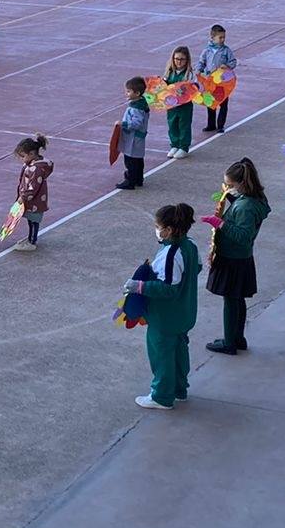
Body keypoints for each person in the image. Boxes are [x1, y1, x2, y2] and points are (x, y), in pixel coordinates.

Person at [129, 202, 201, 411]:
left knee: (162, 354)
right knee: (179, 351)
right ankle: (179, 388)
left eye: (158, 226)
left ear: (169, 230)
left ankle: (161, 395)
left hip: (165, 317)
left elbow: (168, 288)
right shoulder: (191, 245)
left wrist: (140, 286)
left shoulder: (171, 253)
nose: (157, 230)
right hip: (185, 312)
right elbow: (195, 268)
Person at [206, 158, 268, 355]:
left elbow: (243, 235)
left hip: (232, 258)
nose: (228, 188)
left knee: (230, 301)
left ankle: (229, 342)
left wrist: (220, 223)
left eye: (231, 186)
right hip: (243, 258)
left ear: (241, 183)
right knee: (238, 299)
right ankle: (237, 337)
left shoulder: (244, 207)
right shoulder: (254, 200)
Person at [11, 134, 53, 251]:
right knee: (31, 220)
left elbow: (33, 187)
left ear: (31, 154)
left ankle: (32, 242)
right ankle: (30, 238)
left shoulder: (37, 169)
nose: (21, 159)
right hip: (32, 200)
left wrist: (23, 197)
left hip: (35, 200)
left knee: (34, 221)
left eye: (23, 156)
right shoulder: (31, 165)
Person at [198, 25, 236, 133]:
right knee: (210, 103)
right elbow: (202, 61)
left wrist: (227, 66)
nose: (222, 40)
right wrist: (199, 70)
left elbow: (233, 61)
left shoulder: (226, 50)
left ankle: (220, 125)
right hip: (210, 82)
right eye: (220, 38)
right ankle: (211, 124)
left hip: (223, 82)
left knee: (223, 103)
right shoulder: (207, 50)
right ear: (212, 37)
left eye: (224, 37)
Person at [115, 77, 150, 190]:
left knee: (131, 160)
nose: (126, 93)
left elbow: (136, 124)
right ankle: (138, 179)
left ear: (137, 93)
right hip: (137, 138)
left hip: (133, 138)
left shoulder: (136, 108)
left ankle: (131, 181)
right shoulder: (140, 103)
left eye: (129, 91)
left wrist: (123, 124)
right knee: (138, 160)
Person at [162, 45, 195, 158]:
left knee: (184, 125)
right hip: (172, 105)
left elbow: (192, 89)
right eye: (176, 59)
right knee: (172, 124)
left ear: (187, 60)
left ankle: (183, 147)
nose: (179, 62)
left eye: (182, 59)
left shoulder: (189, 74)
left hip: (184, 106)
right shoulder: (169, 72)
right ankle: (174, 145)